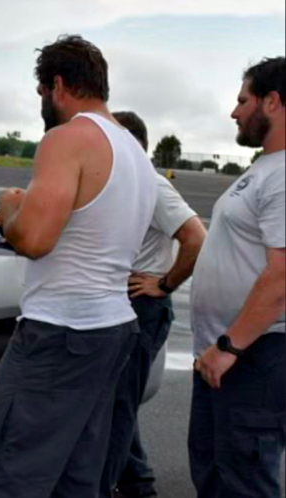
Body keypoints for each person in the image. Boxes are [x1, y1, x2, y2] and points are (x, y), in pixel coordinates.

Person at [0, 35, 157, 498]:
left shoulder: (68, 138)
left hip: (60, 332)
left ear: (56, 85)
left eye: (41, 94)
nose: (42, 105)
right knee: (77, 475)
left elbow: (34, 239)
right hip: (112, 328)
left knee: (8, 471)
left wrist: (11, 207)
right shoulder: (134, 152)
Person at [189, 57, 285, 498]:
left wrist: (229, 347)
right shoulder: (265, 168)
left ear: (273, 101)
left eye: (242, 100)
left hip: (252, 357)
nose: (234, 112)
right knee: (216, 475)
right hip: (225, 357)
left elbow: (282, 277)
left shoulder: (283, 174)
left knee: (242, 483)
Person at [100, 111, 207, 498]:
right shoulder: (125, 183)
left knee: (117, 406)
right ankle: (137, 483)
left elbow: (197, 238)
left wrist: (164, 283)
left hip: (144, 307)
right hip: (126, 302)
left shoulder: (153, 185)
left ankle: (106, 487)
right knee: (119, 401)